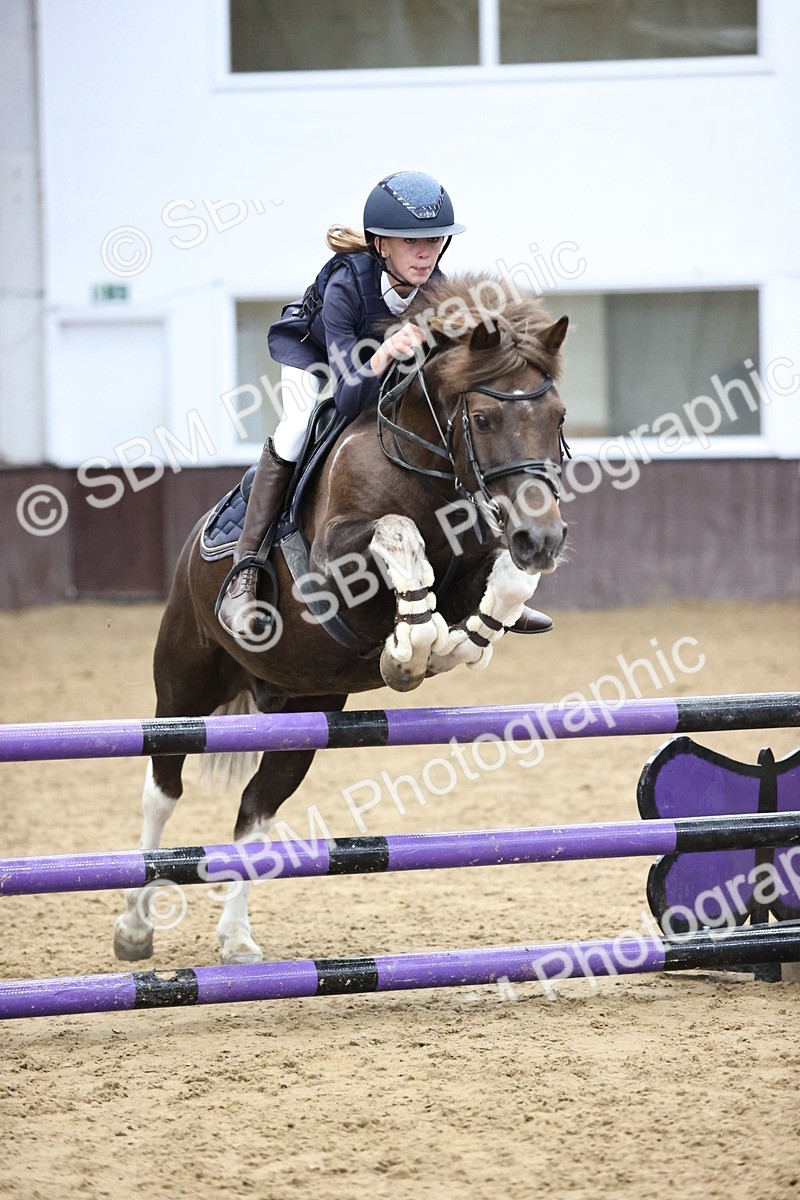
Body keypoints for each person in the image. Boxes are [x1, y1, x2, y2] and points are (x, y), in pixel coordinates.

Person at [217, 170, 554, 638]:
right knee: (296, 426)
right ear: (380, 245)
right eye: (411, 241)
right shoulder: (345, 284)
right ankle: (245, 568)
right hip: (314, 355)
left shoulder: (436, 287)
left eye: (435, 240)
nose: (426, 252)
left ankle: (486, 582)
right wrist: (384, 354)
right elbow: (351, 396)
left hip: (371, 364)